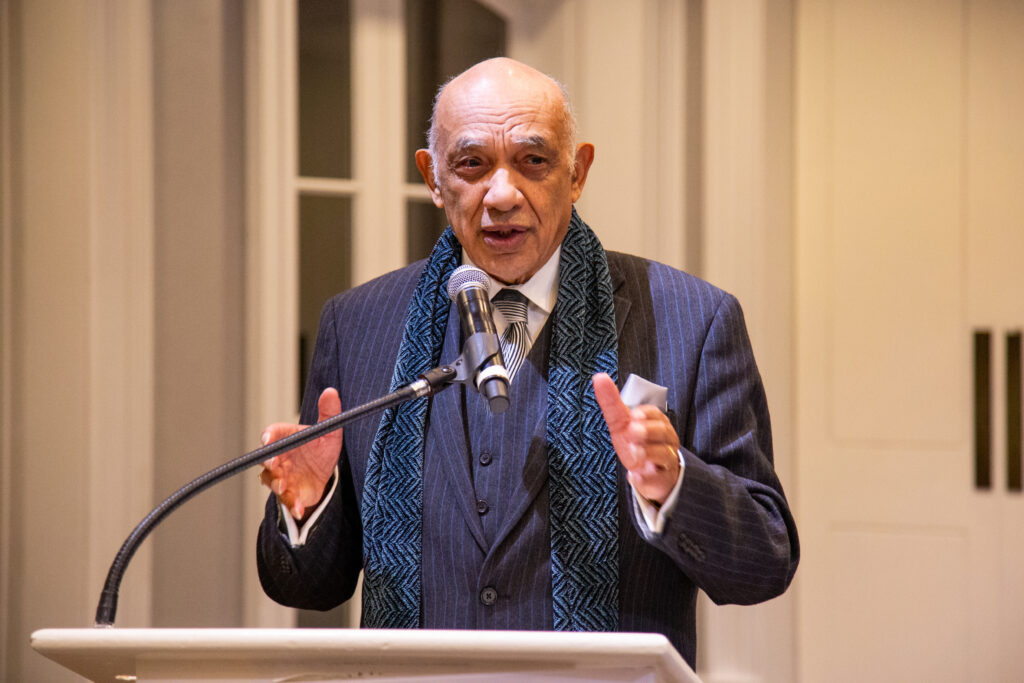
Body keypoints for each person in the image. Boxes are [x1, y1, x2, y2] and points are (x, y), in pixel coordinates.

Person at [256, 57, 798, 668]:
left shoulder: (694, 320)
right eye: (472, 164)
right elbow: (304, 588)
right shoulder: (358, 325)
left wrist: (674, 484)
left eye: (533, 161)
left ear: (578, 171)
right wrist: (308, 506)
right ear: (433, 177)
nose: (503, 194)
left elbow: (764, 563)